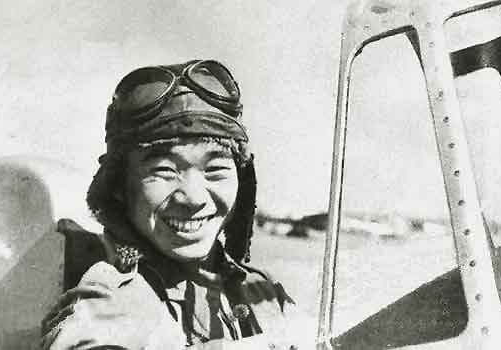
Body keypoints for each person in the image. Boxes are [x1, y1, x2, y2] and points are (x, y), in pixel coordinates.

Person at [41, 60, 310, 349]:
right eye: (163, 171)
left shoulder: (262, 290)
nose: (193, 197)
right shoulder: (111, 299)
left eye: (216, 170)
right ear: (119, 187)